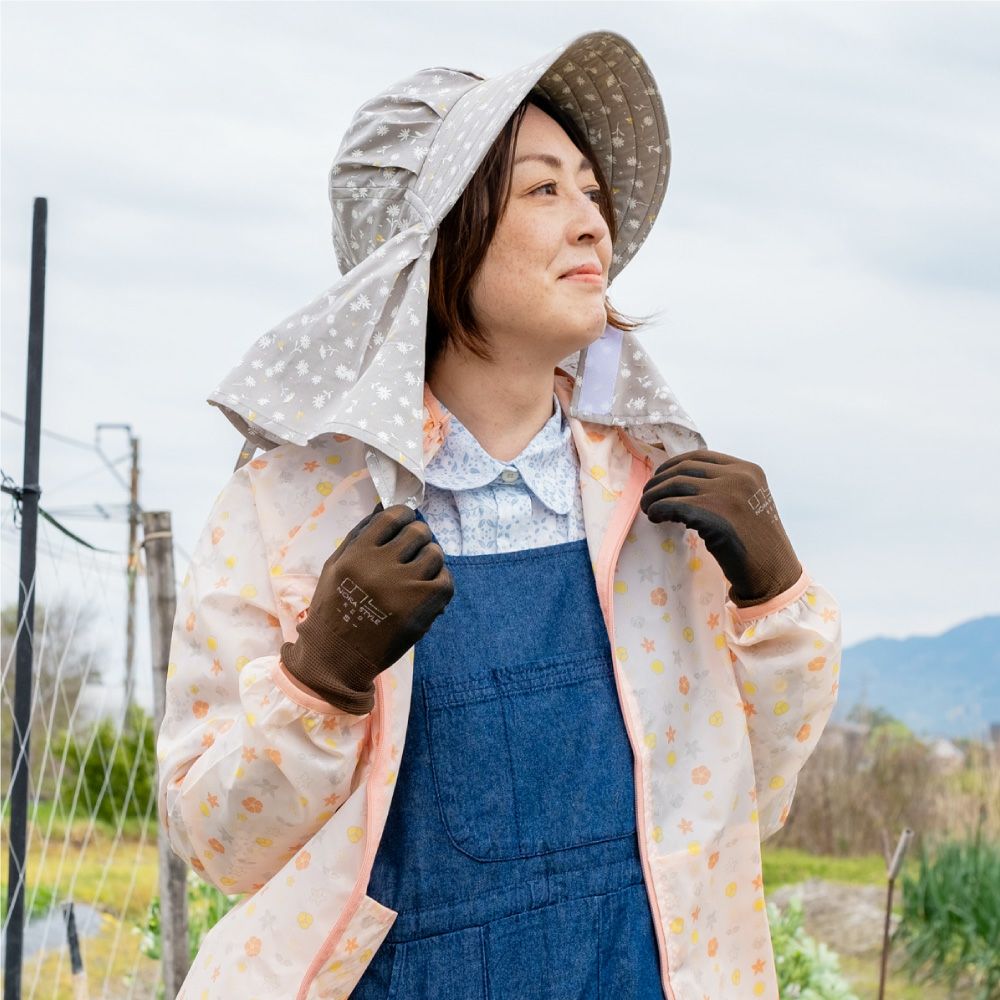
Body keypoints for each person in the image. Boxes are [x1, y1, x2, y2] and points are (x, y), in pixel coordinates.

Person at [157, 30, 842, 1000]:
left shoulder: (663, 504)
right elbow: (223, 845)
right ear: (435, 238)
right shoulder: (288, 507)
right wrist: (321, 677)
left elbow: (750, 794)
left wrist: (775, 599)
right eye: (544, 190)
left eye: (593, 193)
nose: (593, 224)